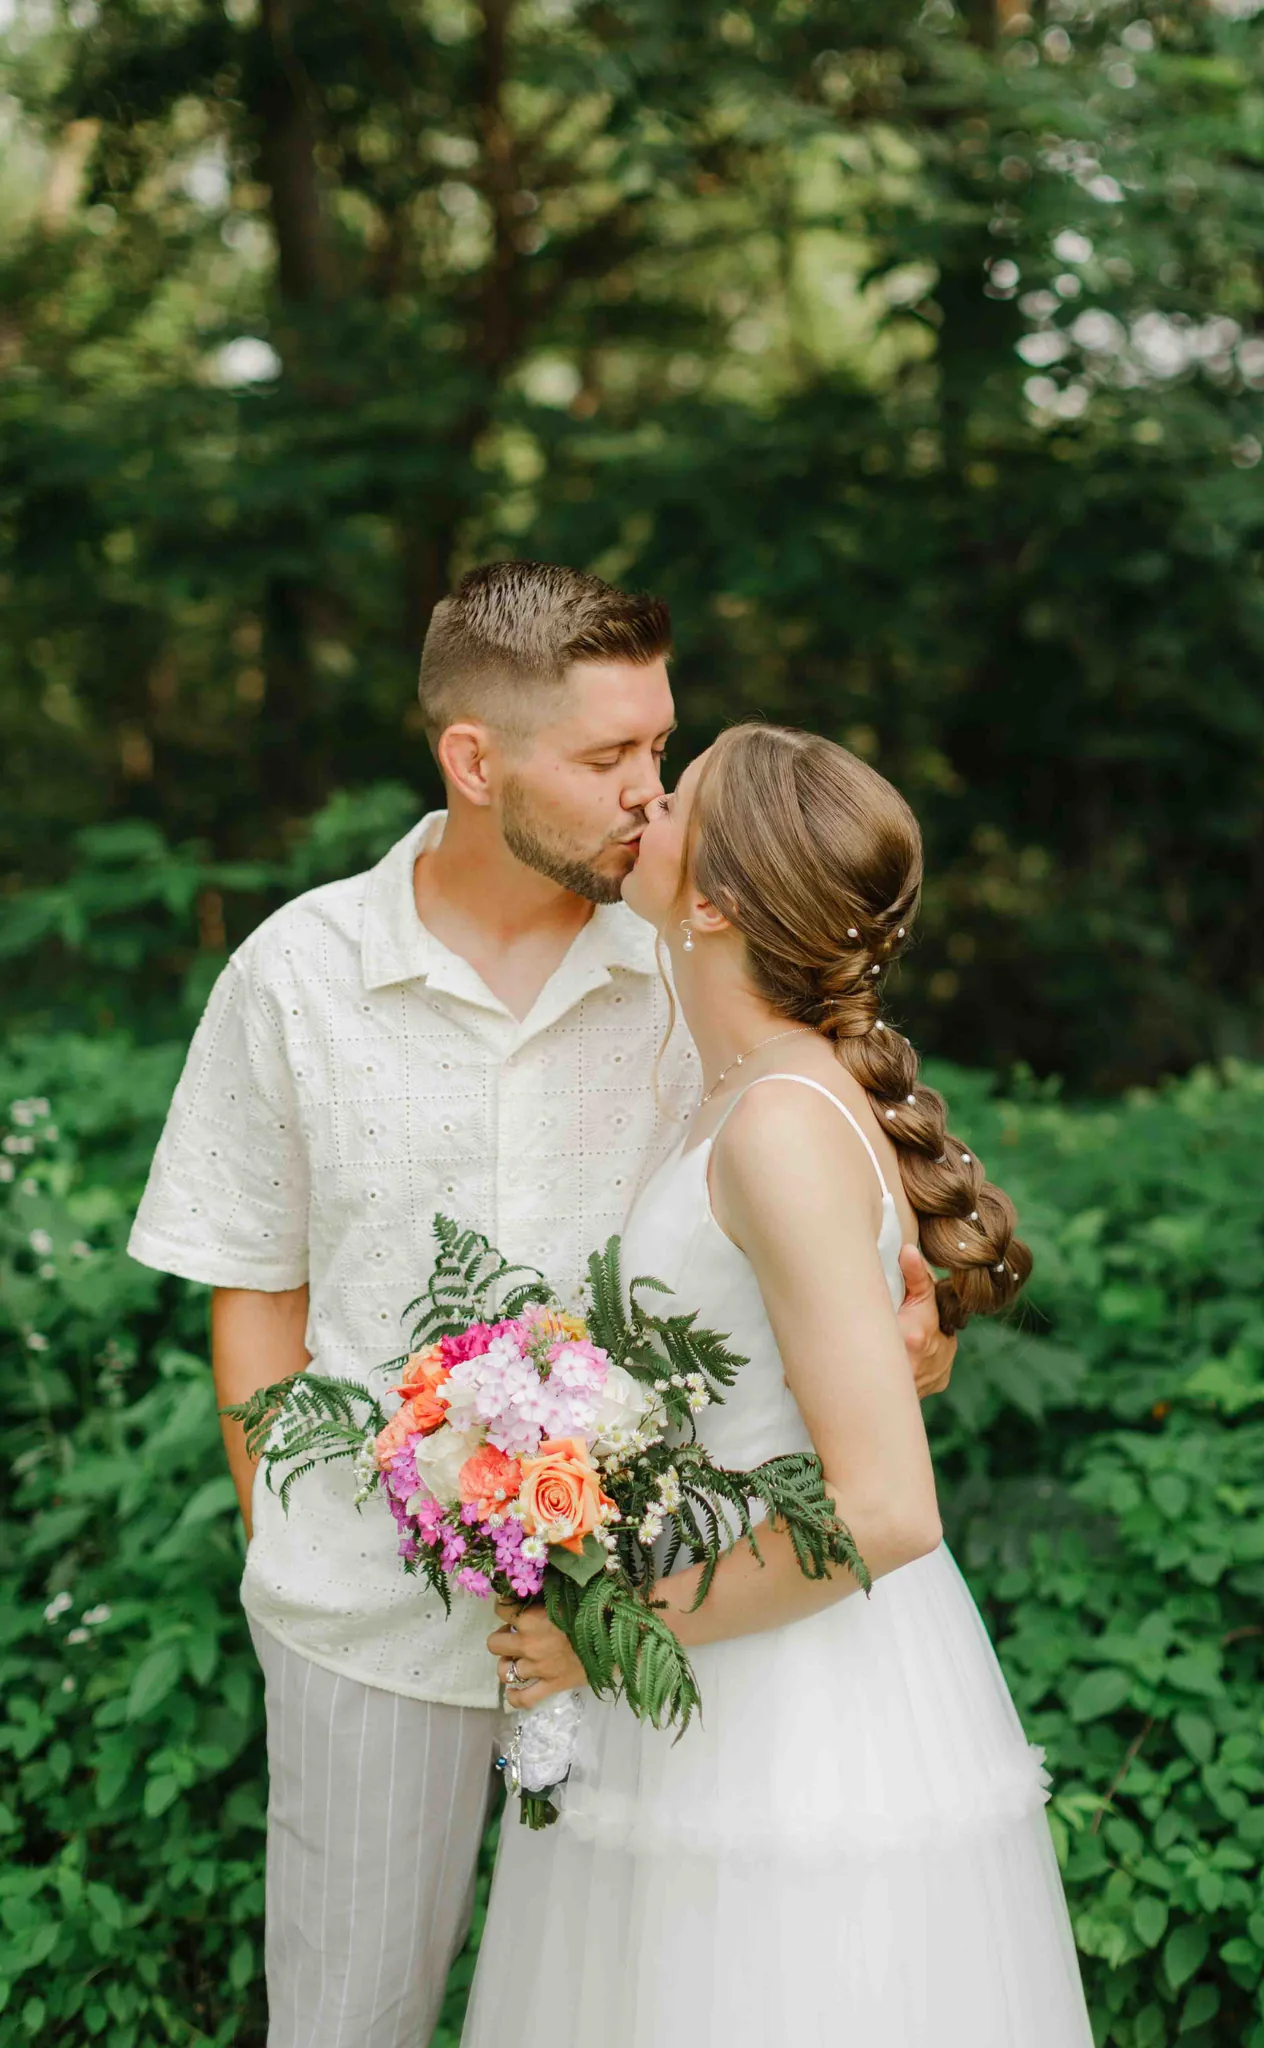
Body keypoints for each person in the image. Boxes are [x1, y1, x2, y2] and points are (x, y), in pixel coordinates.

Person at [127, 566, 956, 2048]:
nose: (650, 794)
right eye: (607, 761)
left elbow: (836, 1164)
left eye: (660, 748)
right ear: (475, 760)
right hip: (370, 1629)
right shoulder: (297, 977)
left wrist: (911, 1314)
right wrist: (287, 1534)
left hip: (671, 1630)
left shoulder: (698, 946)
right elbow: (254, 1283)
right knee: (350, 2022)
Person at [466, 723, 1093, 2048]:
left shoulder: (779, 1128)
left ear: (710, 898)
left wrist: (608, 1633)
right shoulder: (738, 1091)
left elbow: (884, 1510)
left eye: (675, 791)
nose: (645, 794)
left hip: (789, 1707)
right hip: (710, 1655)